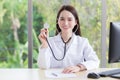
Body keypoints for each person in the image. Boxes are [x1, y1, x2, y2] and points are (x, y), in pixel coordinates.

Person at [38, 5, 100, 73]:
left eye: (70, 19)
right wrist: (44, 44)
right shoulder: (49, 42)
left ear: (75, 22)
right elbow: (43, 67)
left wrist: (79, 67)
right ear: (57, 21)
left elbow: (95, 61)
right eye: (62, 19)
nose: (65, 23)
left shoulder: (83, 42)